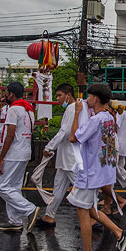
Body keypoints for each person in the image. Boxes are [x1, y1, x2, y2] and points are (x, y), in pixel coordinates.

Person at [65, 83, 126, 251]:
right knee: (90, 208)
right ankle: (119, 233)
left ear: (96, 98)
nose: (87, 99)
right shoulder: (108, 117)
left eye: (89, 96)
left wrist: (77, 112)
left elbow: (73, 138)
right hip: (100, 170)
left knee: (82, 209)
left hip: (90, 172)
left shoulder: (97, 120)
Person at [0, 82, 40, 232]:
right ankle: (15, 220)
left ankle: (30, 209)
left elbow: (10, 134)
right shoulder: (29, 110)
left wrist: (1, 157)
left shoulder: (14, 109)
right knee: (14, 187)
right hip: (24, 152)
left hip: (13, 153)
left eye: (6, 93)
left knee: (1, 186)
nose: (5, 96)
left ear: (11, 94)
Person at [34, 83, 77, 229]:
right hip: (66, 157)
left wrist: (49, 146)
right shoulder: (72, 109)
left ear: (68, 95)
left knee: (82, 189)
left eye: (59, 95)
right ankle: (49, 216)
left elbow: (64, 132)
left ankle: (95, 218)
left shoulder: (72, 109)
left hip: (71, 158)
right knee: (58, 189)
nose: (58, 99)